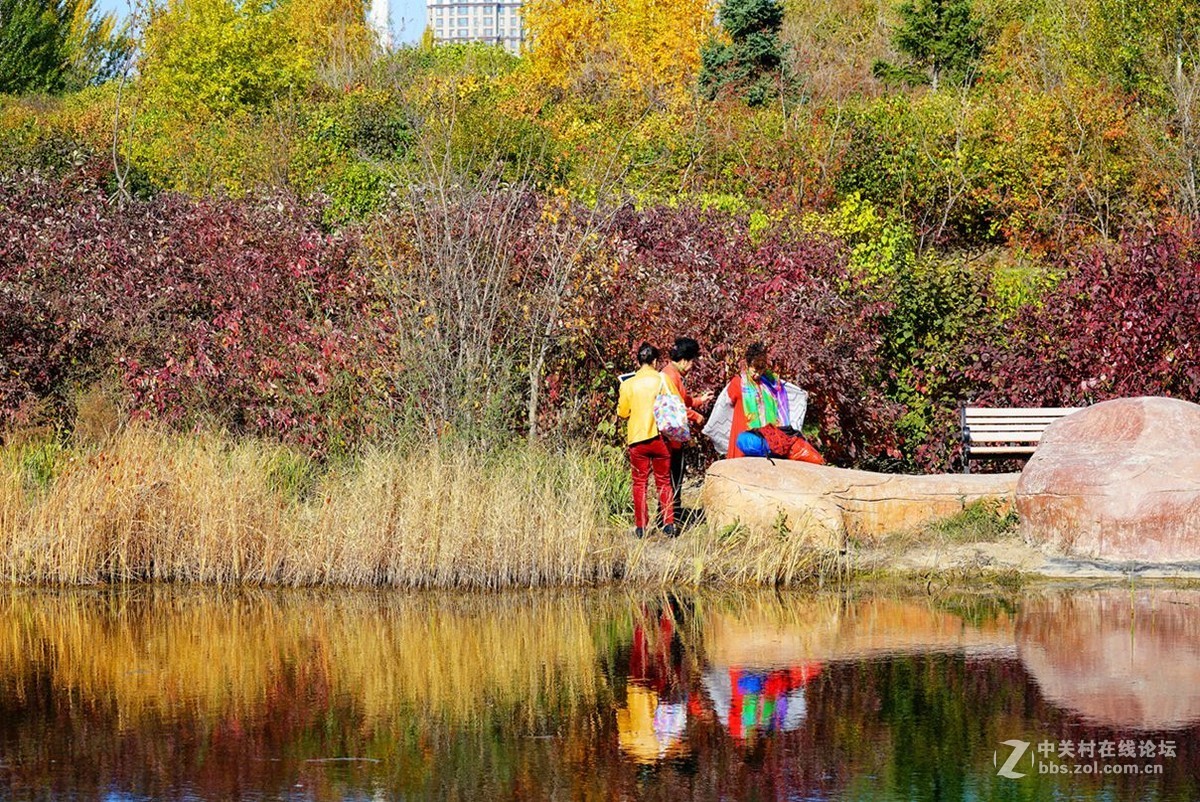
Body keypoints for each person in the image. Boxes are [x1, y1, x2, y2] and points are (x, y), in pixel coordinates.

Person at [617, 343, 675, 538]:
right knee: (664, 481)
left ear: (638, 361)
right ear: (655, 361)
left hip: (637, 438)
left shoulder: (628, 384)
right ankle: (668, 523)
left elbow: (623, 412)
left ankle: (641, 526)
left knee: (639, 483)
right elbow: (674, 405)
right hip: (660, 438)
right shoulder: (662, 380)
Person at [659, 337, 713, 524]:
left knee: (676, 475)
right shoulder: (669, 376)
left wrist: (700, 400)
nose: (691, 366)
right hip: (669, 438)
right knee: (672, 476)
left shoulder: (673, 375)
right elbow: (677, 406)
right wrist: (696, 416)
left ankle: (672, 513)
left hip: (674, 437)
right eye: (691, 362)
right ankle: (668, 517)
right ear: (684, 360)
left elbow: (683, 399)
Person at [723, 343, 789, 459]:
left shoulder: (770, 383)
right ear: (748, 365)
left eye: (761, 369)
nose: (757, 374)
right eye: (755, 369)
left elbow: (783, 396)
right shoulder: (739, 383)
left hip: (767, 436)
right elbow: (726, 403)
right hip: (744, 432)